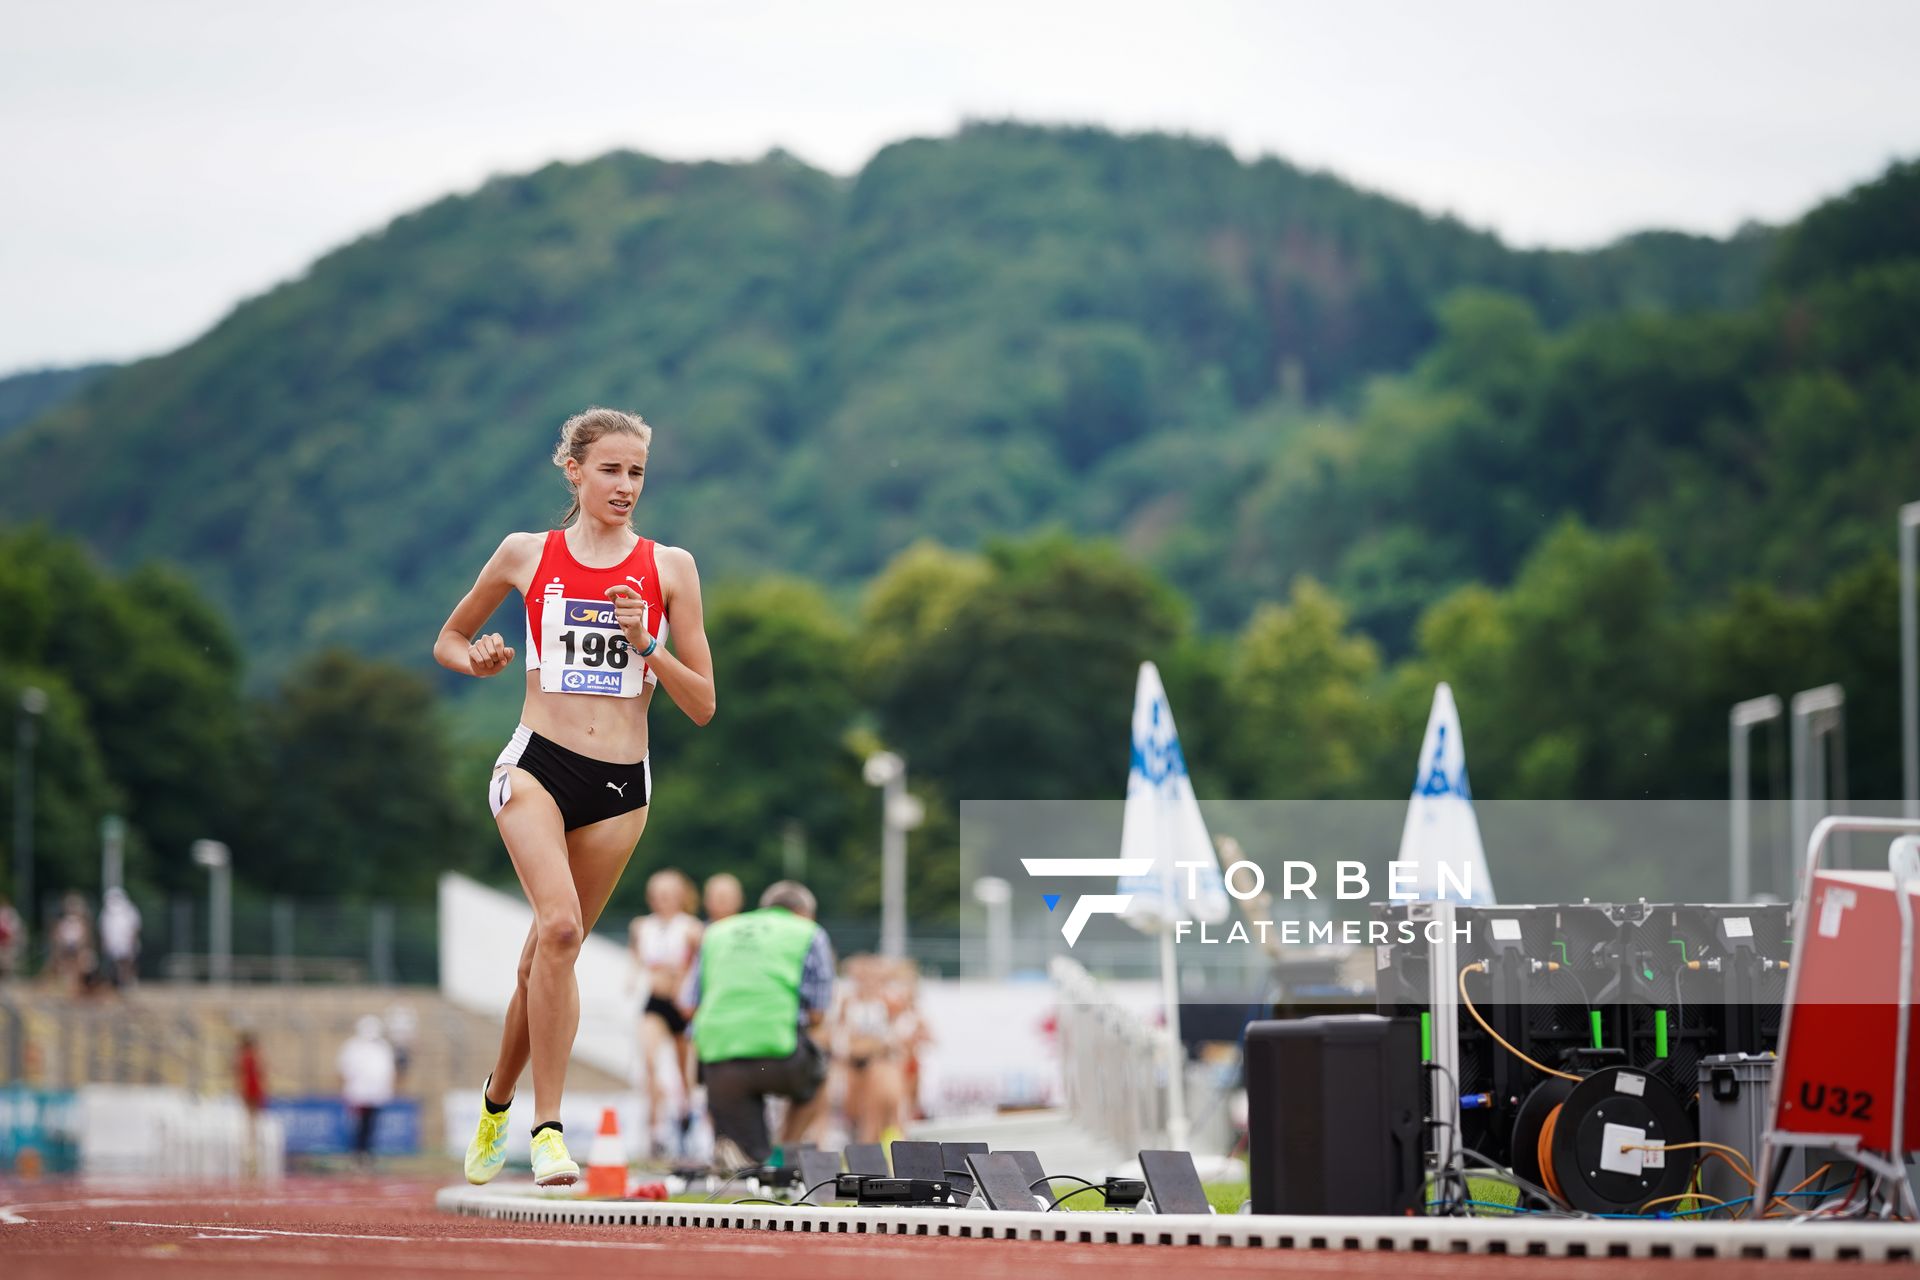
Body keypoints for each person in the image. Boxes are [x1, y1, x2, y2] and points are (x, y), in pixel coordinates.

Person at [435, 407, 715, 1188]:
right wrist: (481, 660)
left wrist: (649, 645)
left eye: (637, 474)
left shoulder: (671, 569)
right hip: (537, 765)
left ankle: (494, 1102)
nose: (625, 487)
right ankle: (548, 1131)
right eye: (611, 471)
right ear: (575, 470)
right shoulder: (527, 554)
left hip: (622, 786)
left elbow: (702, 704)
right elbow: (450, 639)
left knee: (548, 952)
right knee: (557, 929)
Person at [685, 881, 834, 1165]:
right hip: (779, 1057)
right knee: (820, 1075)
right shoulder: (808, 933)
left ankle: (752, 1157)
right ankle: (785, 1155)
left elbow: (689, 1004)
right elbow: (817, 1012)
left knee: (752, 1160)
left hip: (718, 1061)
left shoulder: (716, 932)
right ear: (805, 913)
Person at [629, 869, 701, 1154]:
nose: (662, 900)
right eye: (657, 895)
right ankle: (655, 1127)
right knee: (649, 1061)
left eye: (668, 895)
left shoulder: (691, 928)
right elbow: (636, 959)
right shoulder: (641, 927)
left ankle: (686, 1116)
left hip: (682, 1006)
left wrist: (684, 981)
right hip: (656, 1002)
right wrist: (632, 978)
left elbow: (698, 963)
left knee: (685, 1072)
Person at [338, 1015, 395, 1171]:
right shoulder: (353, 1046)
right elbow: (346, 1069)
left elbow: (386, 1072)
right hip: (359, 1095)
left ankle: (367, 1155)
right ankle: (357, 1155)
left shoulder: (382, 1047)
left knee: (371, 1127)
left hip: (376, 1095)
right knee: (359, 1127)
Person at [99, 887, 141, 989]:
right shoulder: (106, 912)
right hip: (114, 942)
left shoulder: (129, 910)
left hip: (125, 941)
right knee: (115, 965)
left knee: (127, 963)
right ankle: (118, 982)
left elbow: (134, 927)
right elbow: (104, 929)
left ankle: (128, 981)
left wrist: (131, 941)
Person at [0, 895, 23, 980]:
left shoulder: (11, 913)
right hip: (3, 942)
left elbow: (15, 929)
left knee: (8, 962)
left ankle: (8, 977)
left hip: (9, 942)